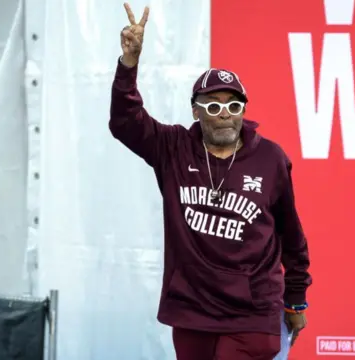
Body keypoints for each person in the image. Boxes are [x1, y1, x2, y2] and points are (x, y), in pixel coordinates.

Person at [110, 3, 312, 359]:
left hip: (253, 312)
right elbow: (125, 122)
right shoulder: (173, 148)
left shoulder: (270, 158)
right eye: (213, 105)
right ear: (196, 110)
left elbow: (291, 235)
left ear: (243, 111)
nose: (224, 115)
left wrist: (295, 300)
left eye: (233, 106)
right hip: (193, 310)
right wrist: (129, 63)